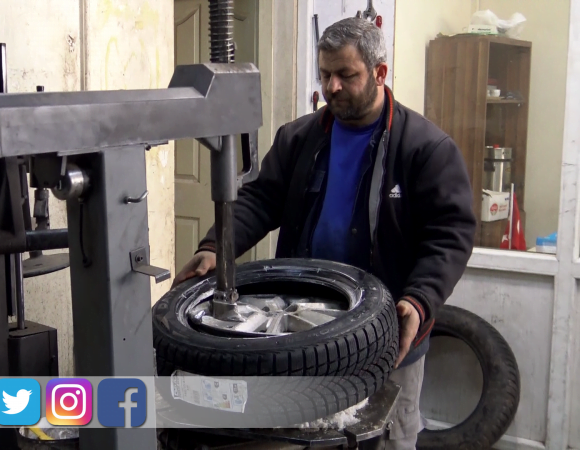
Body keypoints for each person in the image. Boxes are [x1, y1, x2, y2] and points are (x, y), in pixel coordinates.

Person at [172, 17, 476, 449]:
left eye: (346, 75)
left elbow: (450, 235)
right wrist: (215, 248)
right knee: (302, 437)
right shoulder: (299, 138)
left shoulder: (425, 149)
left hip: (387, 335)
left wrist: (419, 299)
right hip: (304, 329)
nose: (332, 87)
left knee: (386, 438)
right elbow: (260, 200)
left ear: (380, 73)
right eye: (325, 74)